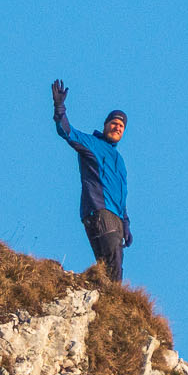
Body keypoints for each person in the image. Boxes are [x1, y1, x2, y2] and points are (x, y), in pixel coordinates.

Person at [51, 79, 130, 281]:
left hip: (115, 218)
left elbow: (121, 196)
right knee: (114, 271)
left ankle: (100, 306)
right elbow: (67, 131)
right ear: (105, 125)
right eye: (114, 123)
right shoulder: (92, 144)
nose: (117, 127)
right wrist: (59, 107)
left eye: (121, 126)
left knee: (107, 271)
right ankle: (113, 308)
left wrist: (126, 224)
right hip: (100, 212)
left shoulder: (119, 161)